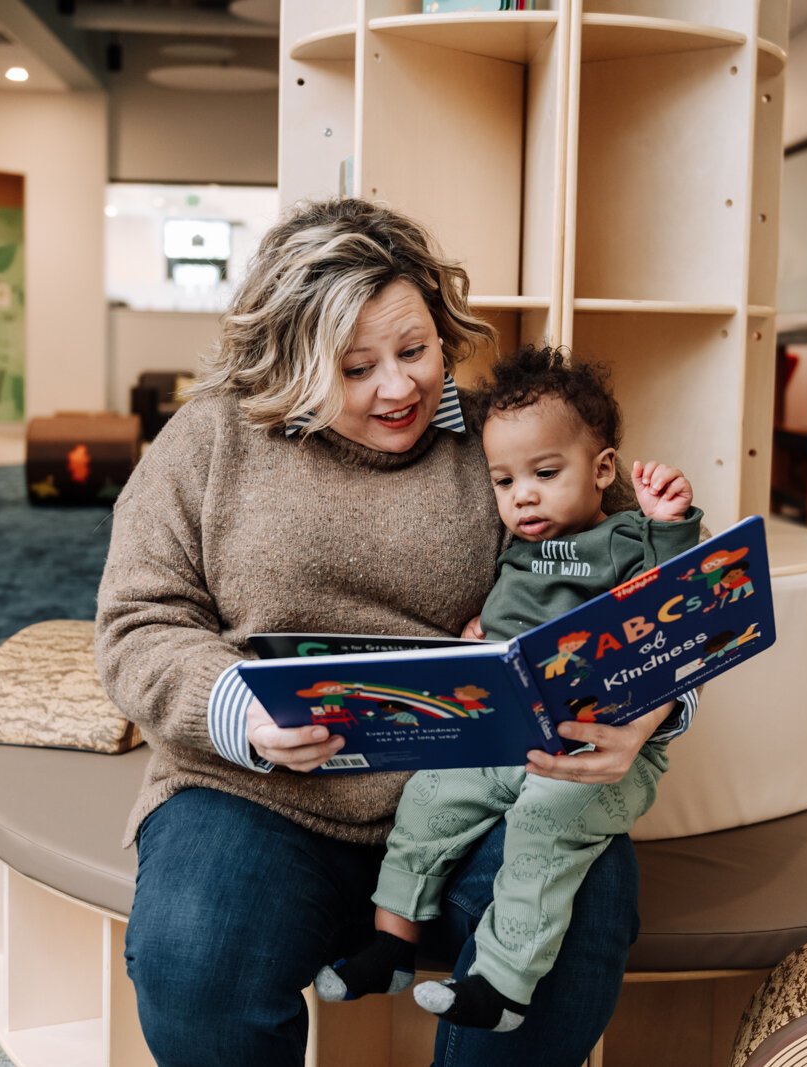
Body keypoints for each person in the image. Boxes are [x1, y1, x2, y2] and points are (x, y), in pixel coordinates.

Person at [95, 198, 699, 1067]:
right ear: (293, 357)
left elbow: (640, 594)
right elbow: (138, 621)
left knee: (582, 914)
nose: (399, 386)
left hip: (479, 790)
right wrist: (243, 710)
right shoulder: (210, 436)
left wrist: (645, 706)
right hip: (255, 795)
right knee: (197, 962)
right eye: (356, 366)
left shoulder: (507, 448)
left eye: (415, 351)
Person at [313, 347, 702, 1033]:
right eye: (504, 479)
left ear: (601, 468)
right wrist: (477, 645)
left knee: (542, 828)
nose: (522, 495)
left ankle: (501, 984)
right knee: (428, 797)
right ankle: (391, 944)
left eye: (545, 473)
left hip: (595, 755)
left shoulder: (620, 539)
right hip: (506, 736)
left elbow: (683, 609)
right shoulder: (512, 543)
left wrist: (670, 520)